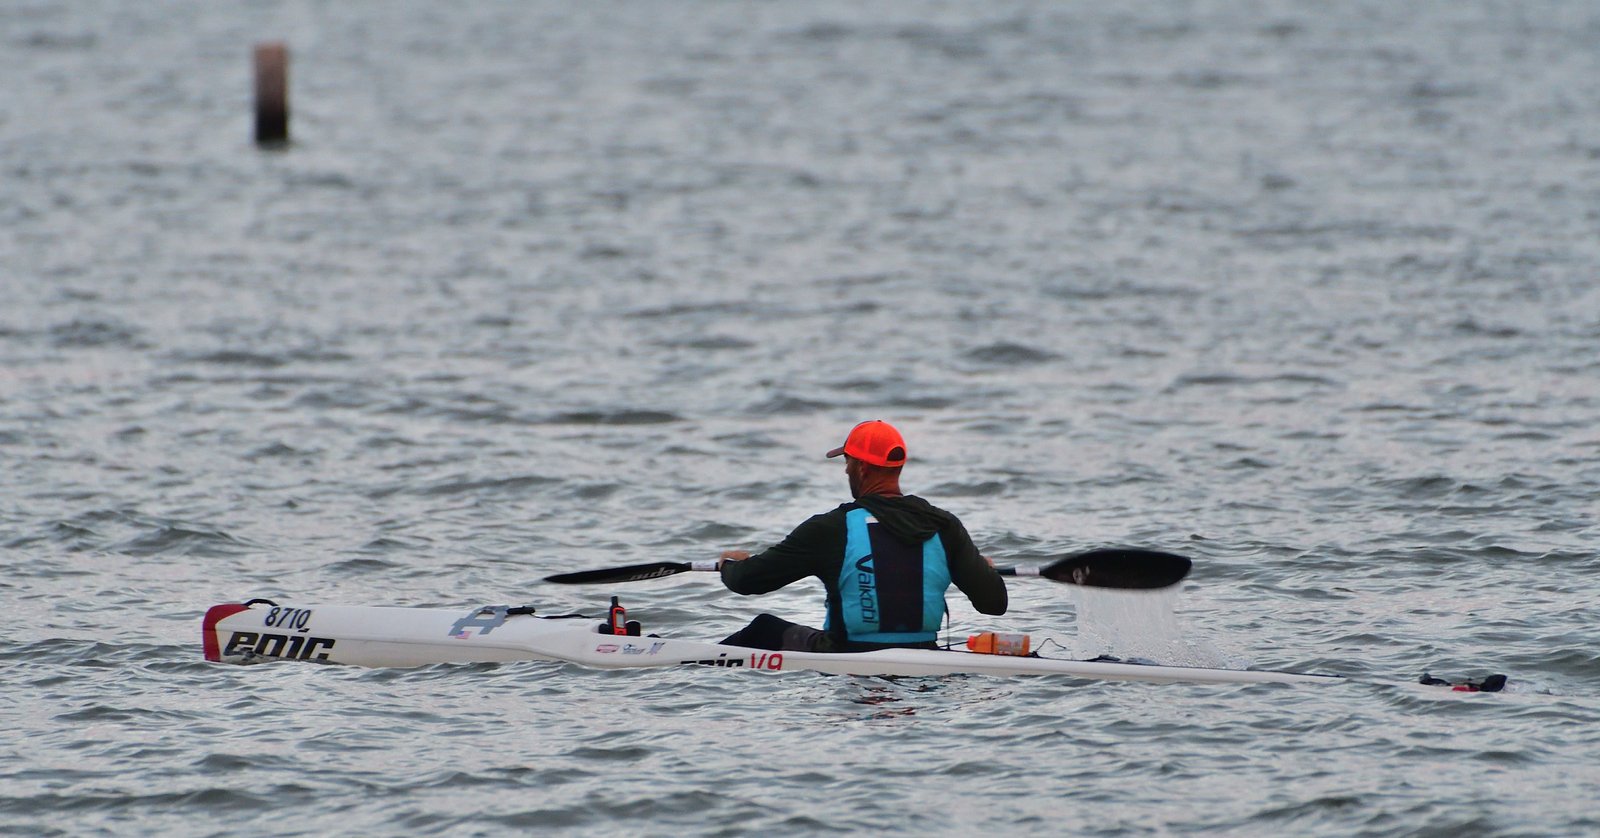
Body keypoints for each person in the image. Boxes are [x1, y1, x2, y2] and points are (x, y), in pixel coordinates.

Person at [718, 420, 1007, 653]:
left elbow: (748, 581)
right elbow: (994, 604)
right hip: (924, 655)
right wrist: (986, 573)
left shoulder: (831, 528)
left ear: (863, 467)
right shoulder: (944, 525)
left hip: (848, 655)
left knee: (764, 627)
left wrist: (729, 566)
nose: (845, 469)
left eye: (847, 461)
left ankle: (686, 665)